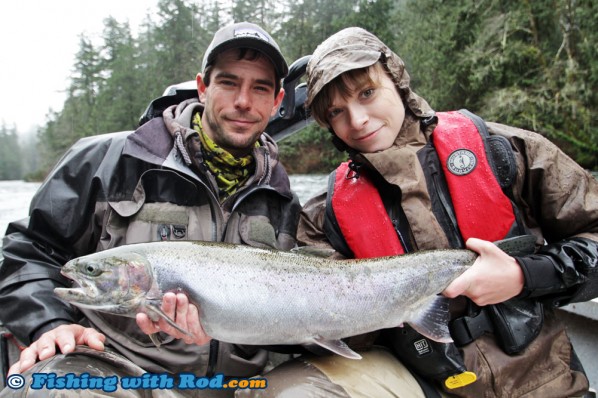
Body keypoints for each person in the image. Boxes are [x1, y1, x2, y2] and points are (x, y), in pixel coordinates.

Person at [245, 27, 598, 398]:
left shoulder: (504, 150)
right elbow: (337, 335)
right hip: (426, 384)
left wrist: (524, 274)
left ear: (397, 82)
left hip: (547, 380)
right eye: (336, 111)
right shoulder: (324, 214)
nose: (358, 119)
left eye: (367, 93)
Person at [0, 22, 300, 397]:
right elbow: (29, 252)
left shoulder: (282, 197)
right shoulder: (109, 159)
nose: (243, 100)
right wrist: (49, 323)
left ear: (277, 101)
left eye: (260, 88)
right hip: (115, 373)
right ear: (203, 87)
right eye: (228, 82)